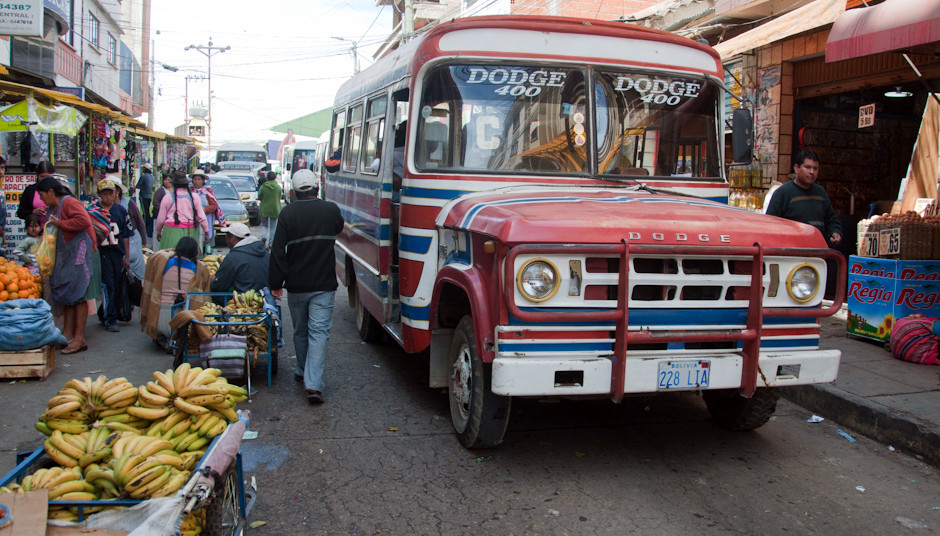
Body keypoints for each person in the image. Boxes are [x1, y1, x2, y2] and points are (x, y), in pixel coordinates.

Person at [268, 169, 344, 404]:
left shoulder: (288, 214)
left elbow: (278, 250)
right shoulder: (330, 210)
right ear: (317, 189)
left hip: (297, 285)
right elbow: (338, 228)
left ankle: (303, 371)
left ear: (294, 192)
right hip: (324, 285)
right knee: (319, 333)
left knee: (301, 331)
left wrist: (275, 283)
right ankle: (312, 383)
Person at [36, 176, 101, 355]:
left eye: (42, 195)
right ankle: (67, 334)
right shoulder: (51, 207)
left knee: (79, 295)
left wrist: (60, 223)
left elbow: (83, 221)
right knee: (68, 295)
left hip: (81, 253)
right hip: (66, 255)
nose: (42, 199)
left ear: (51, 192)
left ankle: (79, 338)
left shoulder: (69, 202)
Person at [765, 149, 842, 245]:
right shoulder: (783, 193)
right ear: (796, 168)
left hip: (818, 253)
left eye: (815, 168)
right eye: (808, 167)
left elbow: (831, 219)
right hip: (792, 253)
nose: (811, 172)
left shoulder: (820, 193)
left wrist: (835, 232)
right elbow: (770, 225)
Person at [94, 178, 131, 332]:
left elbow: (126, 235)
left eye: (111, 193)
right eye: (104, 194)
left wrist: (127, 256)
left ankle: (105, 312)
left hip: (117, 252)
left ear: (116, 193)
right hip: (102, 253)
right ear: (99, 195)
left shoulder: (121, 211)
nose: (108, 197)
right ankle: (111, 318)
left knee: (115, 284)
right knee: (107, 284)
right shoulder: (94, 211)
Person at [154, 170, 210, 251]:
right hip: (190, 232)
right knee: (189, 259)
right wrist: (206, 232)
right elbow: (201, 216)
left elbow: (161, 219)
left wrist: (158, 232)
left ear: (173, 184)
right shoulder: (194, 197)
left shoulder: (167, 197)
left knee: (169, 259)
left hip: (171, 231)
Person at [210, 222, 270, 294]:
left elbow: (218, 286)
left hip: (243, 299)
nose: (226, 241)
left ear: (232, 238)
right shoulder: (265, 252)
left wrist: (211, 280)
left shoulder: (233, 257)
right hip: (265, 296)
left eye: (226, 238)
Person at [118, 183, 147, 281]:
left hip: (132, 240)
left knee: (135, 272)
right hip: (116, 243)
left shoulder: (128, 203)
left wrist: (144, 243)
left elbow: (140, 222)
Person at [191, 169, 220, 252]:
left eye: (199, 179)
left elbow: (214, 205)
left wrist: (203, 210)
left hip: (205, 218)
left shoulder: (207, 192)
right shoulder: (190, 191)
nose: (196, 181)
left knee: (204, 238)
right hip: (193, 219)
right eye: (195, 179)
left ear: (203, 181)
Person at [258, 170, 282, 245]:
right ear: (275, 178)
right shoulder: (278, 188)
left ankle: (263, 237)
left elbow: (259, 196)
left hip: (264, 209)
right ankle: (271, 243)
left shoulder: (263, 187)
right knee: (273, 227)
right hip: (275, 209)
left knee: (264, 225)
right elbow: (279, 197)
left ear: (267, 178)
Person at [135, 163, 155, 239]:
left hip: (143, 196)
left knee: (145, 212)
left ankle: (145, 227)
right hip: (149, 196)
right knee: (147, 211)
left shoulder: (143, 177)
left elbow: (137, 186)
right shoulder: (152, 177)